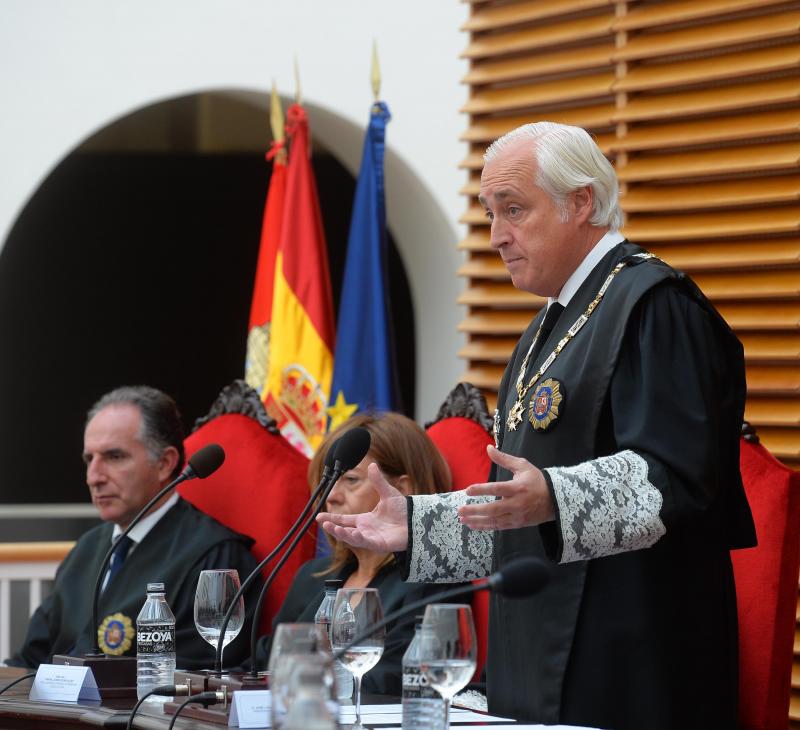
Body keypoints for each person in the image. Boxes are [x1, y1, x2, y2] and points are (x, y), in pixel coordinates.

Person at [318, 122, 756, 729]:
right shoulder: (545, 329)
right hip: (539, 651)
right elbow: (525, 518)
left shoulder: (655, 305)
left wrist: (553, 495)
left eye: (514, 210)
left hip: (629, 657)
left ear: (581, 202)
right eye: (491, 213)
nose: (497, 236)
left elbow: (676, 479)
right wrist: (416, 527)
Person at [6, 385, 262, 671]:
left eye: (114, 457)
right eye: (89, 459)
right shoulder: (87, 548)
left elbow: (199, 674)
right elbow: (29, 661)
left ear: (165, 464)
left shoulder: (216, 556)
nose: (94, 477)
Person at [257, 412, 459, 695]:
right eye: (327, 481)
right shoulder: (312, 576)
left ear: (402, 491)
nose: (331, 496)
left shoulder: (432, 581)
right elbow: (265, 660)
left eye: (350, 479)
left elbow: (400, 677)